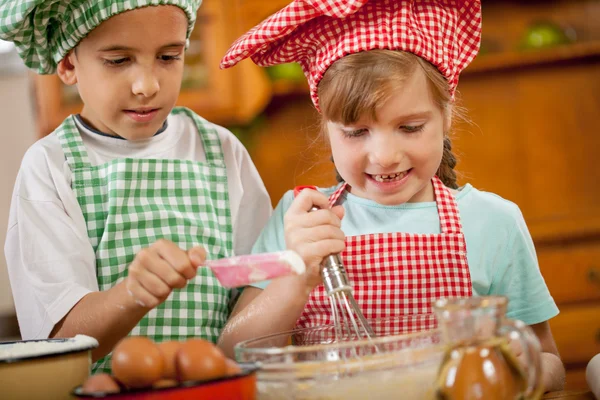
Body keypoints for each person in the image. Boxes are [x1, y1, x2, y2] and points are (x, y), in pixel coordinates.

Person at [218, 0, 565, 392]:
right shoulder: (300, 218)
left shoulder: (493, 222)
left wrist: (521, 369)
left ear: (446, 115)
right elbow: (231, 357)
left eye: (410, 127)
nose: (384, 156)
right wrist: (296, 277)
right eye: (356, 132)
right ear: (327, 128)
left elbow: (548, 359)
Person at [1, 0, 271, 374]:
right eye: (118, 60)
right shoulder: (52, 166)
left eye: (168, 56)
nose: (148, 86)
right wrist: (132, 293)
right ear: (67, 64)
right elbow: (60, 340)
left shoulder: (221, 151)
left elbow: (257, 293)